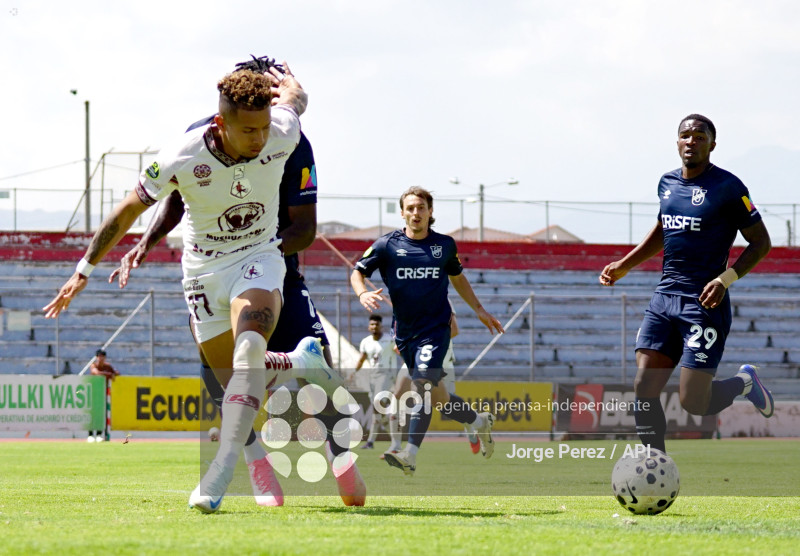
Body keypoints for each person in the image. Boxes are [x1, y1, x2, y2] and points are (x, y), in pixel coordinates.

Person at [44, 63, 334, 514]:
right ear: (221, 123)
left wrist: (289, 84)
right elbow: (127, 210)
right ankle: (296, 368)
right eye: (247, 131)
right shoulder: (183, 153)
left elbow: (295, 101)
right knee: (231, 381)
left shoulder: (282, 130)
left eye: (263, 129)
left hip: (258, 259)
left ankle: (217, 477)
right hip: (201, 273)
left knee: (247, 352)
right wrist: (84, 267)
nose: (259, 140)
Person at [108, 56, 364, 508]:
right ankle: (258, 469)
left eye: (273, 95)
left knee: (318, 368)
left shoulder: (293, 142)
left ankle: (342, 461)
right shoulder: (201, 135)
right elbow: (178, 199)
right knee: (223, 377)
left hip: (272, 262)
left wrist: (250, 258)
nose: (262, 122)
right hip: (212, 269)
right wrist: (143, 245)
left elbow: (304, 228)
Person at [599, 114, 774, 454]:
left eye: (699, 135)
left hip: (704, 303)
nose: (691, 141)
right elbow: (665, 229)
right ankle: (655, 463)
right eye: (685, 135)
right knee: (643, 385)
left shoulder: (728, 187)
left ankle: (744, 382)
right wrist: (625, 264)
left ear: (712, 143)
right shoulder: (667, 183)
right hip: (665, 298)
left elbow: (761, 243)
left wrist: (725, 280)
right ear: (677, 141)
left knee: (694, 402)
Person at [351, 186, 505, 475]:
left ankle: (410, 454)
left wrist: (480, 310)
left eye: (421, 208)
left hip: (435, 331)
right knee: (442, 402)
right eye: (410, 208)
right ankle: (478, 422)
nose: (415, 213)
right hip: (405, 333)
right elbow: (357, 271)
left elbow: (458, 279)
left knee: (420, 385)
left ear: (430, 212)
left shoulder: (444, 245)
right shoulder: (386, 246)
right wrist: (361, 293)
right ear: (402, 213)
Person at [386, 310, 480, 458]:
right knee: (398, 393)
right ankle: (395, 446)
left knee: (445, 405)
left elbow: (454, 330)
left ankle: (471, 423)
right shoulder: (406, 296)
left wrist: (426, 341)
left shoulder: (440, 296)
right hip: (417, 358)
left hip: (440, 358)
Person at [354, 314, 397, 450]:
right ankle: (375, 441)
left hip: (386, 374)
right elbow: (361, 359)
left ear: (381, 326)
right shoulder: (366, 342)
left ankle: (375, 440)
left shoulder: (389, 340)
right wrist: (352, 373)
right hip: (372, 375)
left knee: (377, 404)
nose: (374, 327)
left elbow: (399, 351)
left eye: (376, 324)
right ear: (368, 327)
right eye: (372, 324)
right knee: (377, 411)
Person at [87, 348, 119, 443]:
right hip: (94, 392)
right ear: (96, 357)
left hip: (103, 393)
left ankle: (99, 434)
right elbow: (96, 373)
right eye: (99, 356)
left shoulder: (107, 366)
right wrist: (109, 374)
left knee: (102, 414)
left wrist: (113, 373)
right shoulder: (93, 365)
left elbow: (116, 373)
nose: (101, 358)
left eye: (102, 357)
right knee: (93, 414)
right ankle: (90, 434)